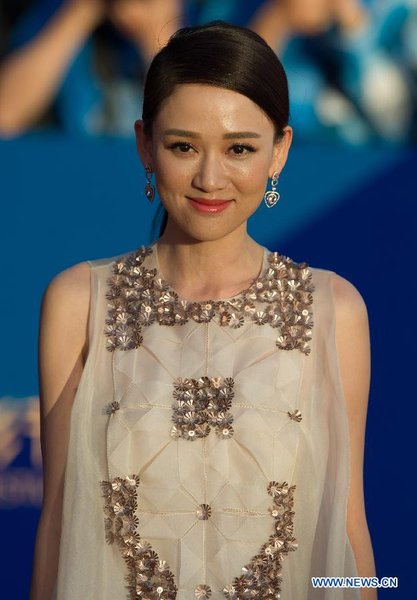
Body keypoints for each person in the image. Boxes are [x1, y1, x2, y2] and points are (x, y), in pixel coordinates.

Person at [31, 20, 376, 600]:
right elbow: (59, 522)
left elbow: (347, 526)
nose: (210, 178)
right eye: (183, 147)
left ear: (280, 151)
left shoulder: (332, 309)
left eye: (240, 149)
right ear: (145, 145)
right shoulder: (80, 301)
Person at [0, 0, 183, 137]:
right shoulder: (58, 12)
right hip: (75, 167)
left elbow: (184, 126)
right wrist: (81, 14)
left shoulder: (191, 18)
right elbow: (5, 117)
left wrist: (157, 39)